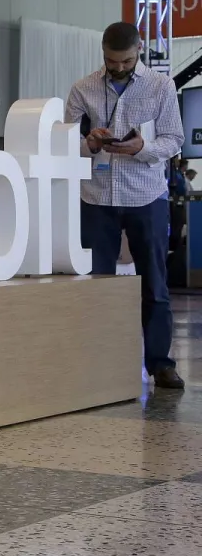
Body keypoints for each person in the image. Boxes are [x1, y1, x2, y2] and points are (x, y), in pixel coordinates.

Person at [65, 21, 186, 390]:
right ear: (103, 53)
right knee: (94, 284)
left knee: (154, 283)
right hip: (95, 196)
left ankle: (160, 364)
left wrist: (142, 149)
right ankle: (98, 360)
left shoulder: (160, 86)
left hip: (145, 196)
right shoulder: (82, 88)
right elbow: (66, 143)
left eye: (126, 61)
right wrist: (90, 143)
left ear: (139, 52)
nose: (118, 67)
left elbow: (174, 139)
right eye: (111, 61)